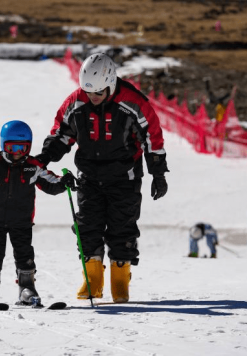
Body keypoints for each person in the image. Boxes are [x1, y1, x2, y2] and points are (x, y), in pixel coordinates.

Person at [36, 53, 169, 303]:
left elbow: (152, 136)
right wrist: (45, 156)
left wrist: (158, 172)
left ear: (111, 84)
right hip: (88, 176)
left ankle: (120, 279)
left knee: (122, 228)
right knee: (87, 227)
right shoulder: (77, 101)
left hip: (124, 177)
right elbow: (62, 133)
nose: (92, 98)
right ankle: (93, 278)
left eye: (98, 93)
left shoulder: (132, 102)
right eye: (88, 92)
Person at [0, 120, 75, 307]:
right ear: (3, 145)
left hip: (22, 220)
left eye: (23, 148)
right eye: (12, 147)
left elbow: (50, 183)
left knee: (25, 254)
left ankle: (27, 287)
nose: (17, 153)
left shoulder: (33, 166)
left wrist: (64, 182)